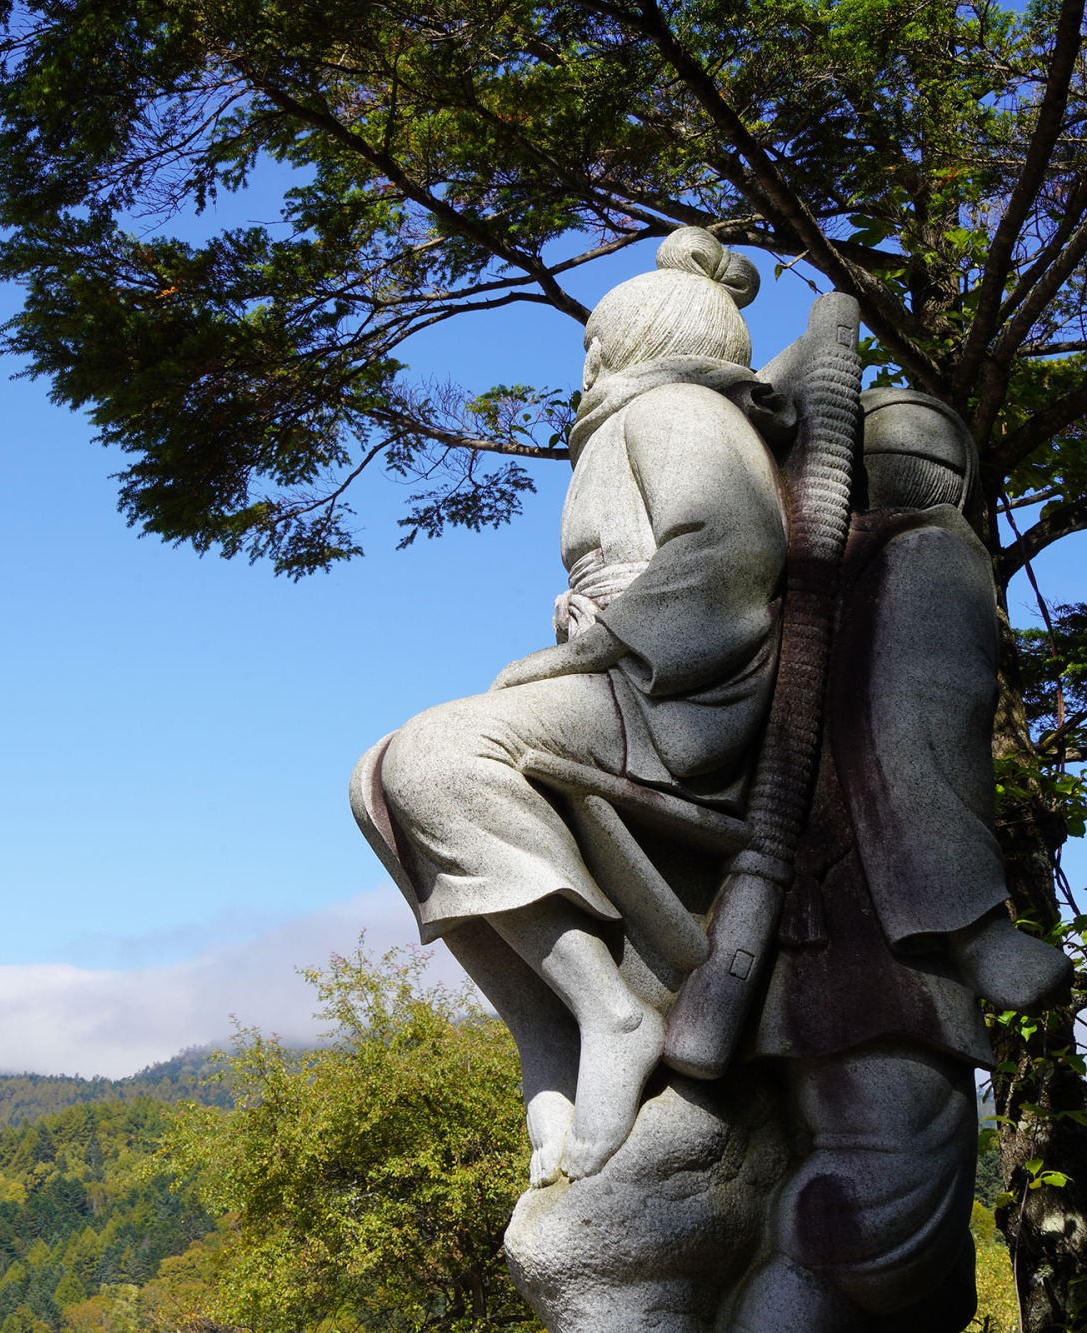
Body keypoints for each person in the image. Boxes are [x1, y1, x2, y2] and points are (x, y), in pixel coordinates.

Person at [351, 227, 788, 1183]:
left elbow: (732, 553)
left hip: (680, 695)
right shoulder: (630, 424)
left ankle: (612, 1012)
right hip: (624, 673)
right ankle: (546, 1027)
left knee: (437, 757)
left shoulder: (678, 408)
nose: (585, 364)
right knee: (377, 776)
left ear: (642, 341)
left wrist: (591, 643)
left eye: (596, 344)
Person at [723, 390, 1071, 1332]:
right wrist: (975, 926)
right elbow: (920, 731)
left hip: (786, 924)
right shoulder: (931, 557)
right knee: (883, 1204)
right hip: (879, 943)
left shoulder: (797, 576)